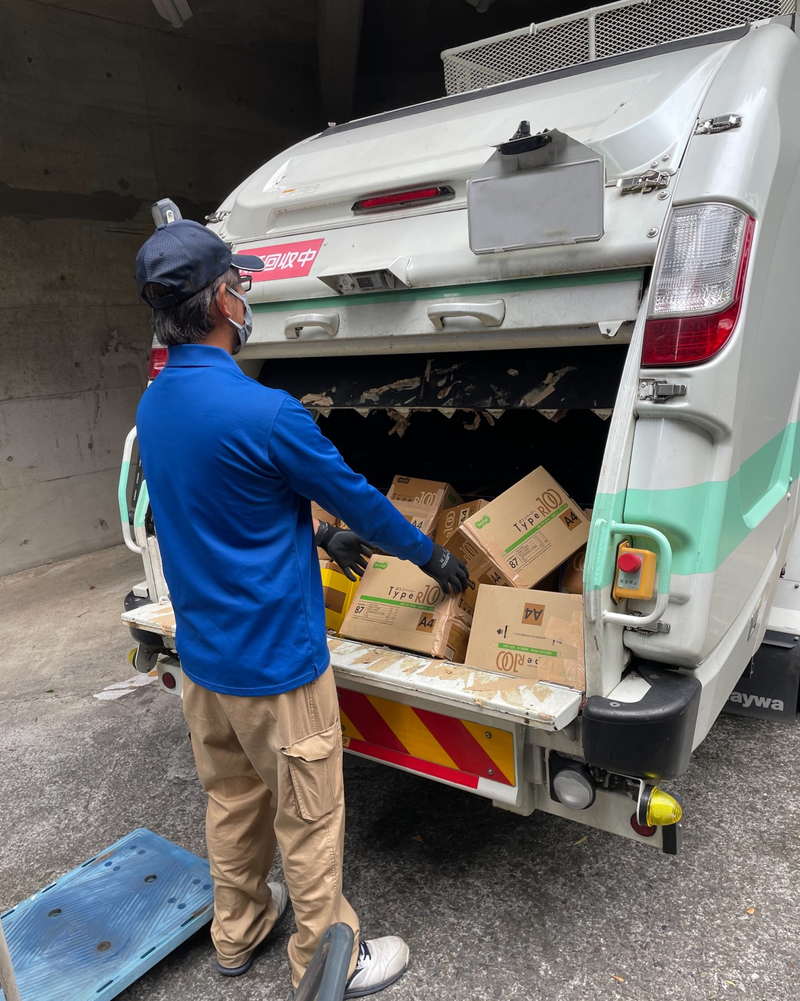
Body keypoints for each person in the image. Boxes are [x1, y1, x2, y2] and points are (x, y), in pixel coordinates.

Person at [133, 219, 469, 995]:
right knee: (310, 820)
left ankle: (239, 928)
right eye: (239, 284)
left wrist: (318, 535)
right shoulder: (269, 413)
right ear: (222, 300)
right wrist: (429, 554)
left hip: (205, 664)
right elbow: (364, 500)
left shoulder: (154, 407)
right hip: (278, 668)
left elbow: (218, 502)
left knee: (233, 800)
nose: (245, 296)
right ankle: (329, 961)